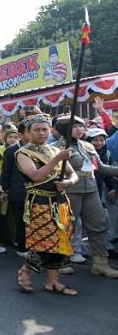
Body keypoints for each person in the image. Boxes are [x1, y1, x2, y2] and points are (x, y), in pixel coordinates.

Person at [15, 115, 78, 295]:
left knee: (61, 240)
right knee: (44, 242)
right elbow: (35, 176)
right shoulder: (22, 153)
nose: (42, 133)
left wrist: (69, 183)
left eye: (45, 129)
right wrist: (57, 159)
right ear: (28, 132)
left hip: (60, 202)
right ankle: (25, 271)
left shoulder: (53, 150)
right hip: (39, 201)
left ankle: (52, 282)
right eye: (37, 129)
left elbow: (73, 175)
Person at [52, 115, 118, 278]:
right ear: (64, 129)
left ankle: (100, 263)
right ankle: (60, 261)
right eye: (75, 126)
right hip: (70, 190)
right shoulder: (55, 147)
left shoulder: (88, 146)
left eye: (81, 126)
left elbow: (100, 168)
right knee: (66, 226)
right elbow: (51, 171)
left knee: (98, 225)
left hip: (91, 189)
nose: (80, 129)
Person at [85, 128, 118, 259]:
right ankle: (76, 250)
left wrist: (111, 187)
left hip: (97, 189)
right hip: (83, 190)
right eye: (95, 140)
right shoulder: (84, 152)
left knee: (100, 221)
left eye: (101, 140)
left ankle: (105, 247)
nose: (99, 143)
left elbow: (106, 172)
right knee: (83, 223)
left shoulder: (106, 152)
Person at [1, 121, 29, 257]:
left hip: (37, 191)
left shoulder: (43, 149)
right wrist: (5, 190)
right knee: (20, 220)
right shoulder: (11, 150)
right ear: (22, 134)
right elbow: (5, 172)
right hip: (17, 190)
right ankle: (22, 247)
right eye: (31, 131)